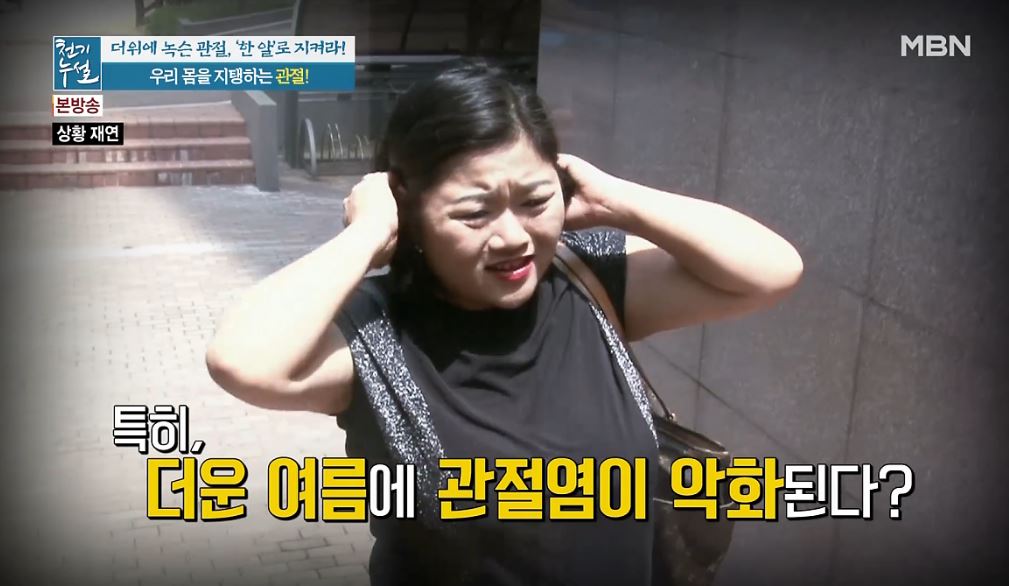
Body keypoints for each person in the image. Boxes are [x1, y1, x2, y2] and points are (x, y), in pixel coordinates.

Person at [205, 61, 804, 585]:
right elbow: (243, 362)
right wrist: (369, 231)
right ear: (408, 203)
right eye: (475, 212)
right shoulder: (374, 333)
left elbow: (770, 271)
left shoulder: (585, 281)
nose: (514, 237)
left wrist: (618, 200)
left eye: (535, 202)